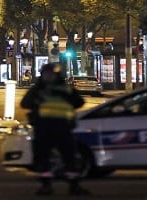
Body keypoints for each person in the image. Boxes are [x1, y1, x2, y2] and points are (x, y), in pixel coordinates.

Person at [20, 63, 87, 196]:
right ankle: (47, 185)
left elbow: (79, 101)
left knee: (69, 157)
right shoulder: (42, 89)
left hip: (60, 127)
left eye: (51, 74)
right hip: (46, 127)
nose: (49, 76)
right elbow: (24, 103)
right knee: (45, 157)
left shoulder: (54, 89)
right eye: (46, 74)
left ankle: (73, 185)